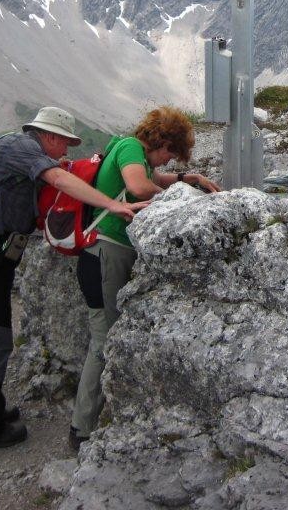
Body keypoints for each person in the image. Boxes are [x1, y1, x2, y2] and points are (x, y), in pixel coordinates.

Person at [0, 106, 144, 452]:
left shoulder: (21, 149)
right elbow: (59, 179)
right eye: (65, 143)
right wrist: (111, 205)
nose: (66, 151)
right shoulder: (23, 148)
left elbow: (61, 176)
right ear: (50, 136)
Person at [69, 106, 220, 450]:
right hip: (106, 254)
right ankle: (82, 429)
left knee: (104, 336)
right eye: (170, 153)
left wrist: (187, 179)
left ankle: (89, 420)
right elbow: (139, 187)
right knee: (103, 340)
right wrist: (179, 197)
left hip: (101, 255)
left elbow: (150, 179)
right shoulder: (130, 148)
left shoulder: (134, 153)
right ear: (162, 140)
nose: (168, 161)